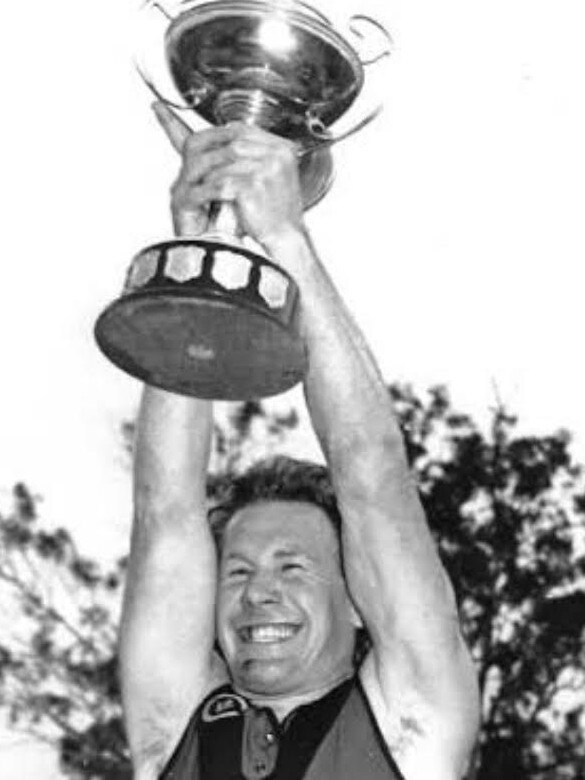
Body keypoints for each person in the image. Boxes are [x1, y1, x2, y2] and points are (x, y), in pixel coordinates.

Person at [118, 102, 481, 780]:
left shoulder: (412, 724)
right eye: (237, 573)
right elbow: (164, 513)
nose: (258, 595)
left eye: (292, 567)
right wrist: (206, 247)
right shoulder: (174, 733)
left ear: (355, 597)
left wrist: (284, 239)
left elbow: (371, 478)